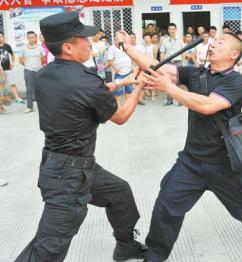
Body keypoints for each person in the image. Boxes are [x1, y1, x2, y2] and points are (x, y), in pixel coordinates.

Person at [115, 30, 242, 262]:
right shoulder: (196, 73)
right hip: (191, 161)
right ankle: (155, 254)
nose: (213, 44)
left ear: (234, 54)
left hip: (225, 164)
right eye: (213, 41)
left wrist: (170, 89)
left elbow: (208, 105)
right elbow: (160, 67)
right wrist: (128, 48)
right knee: (166, 205)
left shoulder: (236, 81)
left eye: (221, 42)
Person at [15, 11, 147, 262]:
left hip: (69, 166)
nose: (90, 43)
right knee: (47, 249)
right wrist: (137, 87)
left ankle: (126, 245)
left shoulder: (45, 75)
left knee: (119, 193)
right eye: (83, 40)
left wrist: (121, 83)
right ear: (67, 47)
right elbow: (120, 117)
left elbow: (85, 92)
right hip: (68, 178)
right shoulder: (86, 81)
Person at [19, 31, 46, 114]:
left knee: (41, 89)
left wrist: (38, 65)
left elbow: (43, 58)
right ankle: (29, 107)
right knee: (29, 90)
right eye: (29, 37)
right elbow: (20, 60)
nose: (31, 39)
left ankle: (43, 107)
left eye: (33, 37)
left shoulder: (40, 48)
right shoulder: (23, 48)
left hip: (39, 70)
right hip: (28, 70)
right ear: (27, 38)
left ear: (35, 38)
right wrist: (28, 66)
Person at [160, 23, 184, 106]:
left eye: (173, 29)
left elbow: (183, 52)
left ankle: (179, 100)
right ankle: (169, 100)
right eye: (170, 29)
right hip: (168, 63)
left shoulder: (180, 40)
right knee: (168, 81)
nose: (172, 31)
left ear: (176, 30)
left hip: (178, 62)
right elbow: (162, 52)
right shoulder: (165, 40)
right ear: (168, 30)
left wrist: (183, 63)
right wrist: (162, 64)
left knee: (179, 81)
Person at [107, 31, 134, 104]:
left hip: (128, 72)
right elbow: (110, 60)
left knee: (129, 90)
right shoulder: (112, 48)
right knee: (118, 92)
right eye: (118, 38)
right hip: (119, 73)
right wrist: (116, 69)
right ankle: (118, 108)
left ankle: (127, 106)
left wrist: (132, 66)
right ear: (115, 39)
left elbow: (131, 57)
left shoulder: (126, 46)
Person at [0, 31, 24, 104]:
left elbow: (13, 55)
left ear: (3, 38)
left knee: (12, 84)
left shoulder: (7, 46)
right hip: (0, 70)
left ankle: (18, 98)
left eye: (1, 36)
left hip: (8, 68)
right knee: (1, 85)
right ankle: (2, 100)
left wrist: (12, 63)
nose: (0, 38)